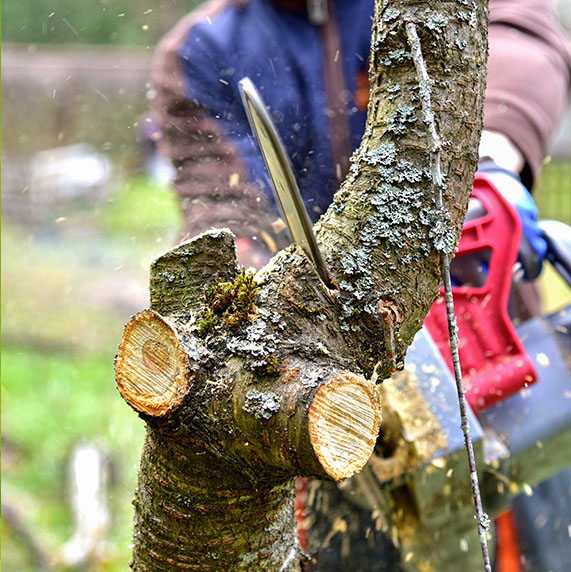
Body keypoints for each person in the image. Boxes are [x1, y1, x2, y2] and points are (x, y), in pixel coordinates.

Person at [151, 0, 571, 569]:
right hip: (335, 417)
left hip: (502, 389)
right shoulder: (205, 48)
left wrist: (490, 155)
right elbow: (225, 211)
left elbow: (522, 26)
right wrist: (260, 294)